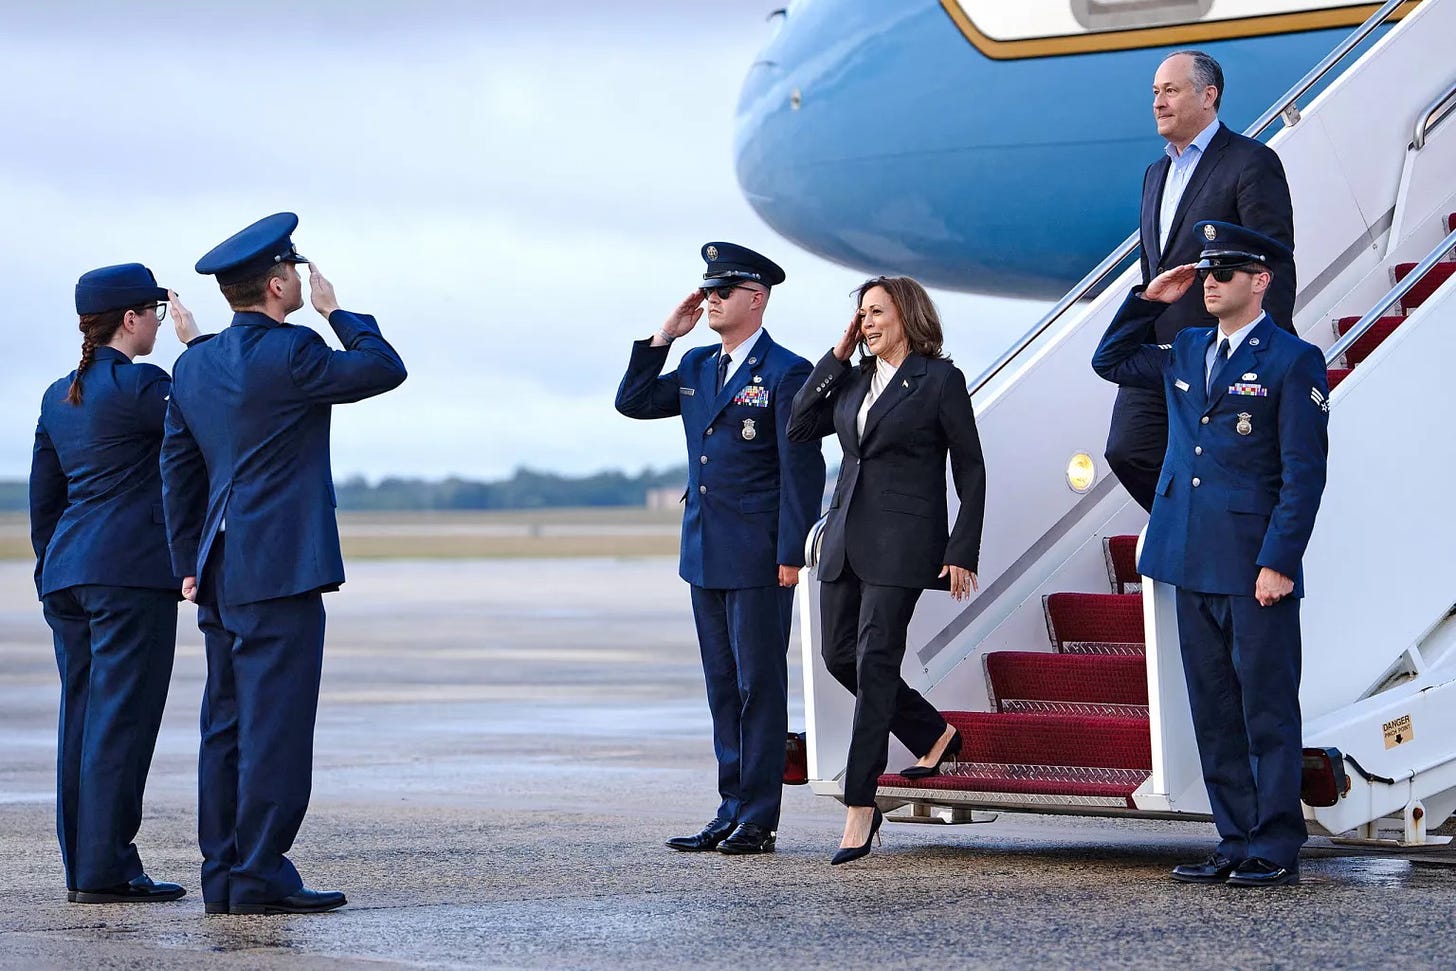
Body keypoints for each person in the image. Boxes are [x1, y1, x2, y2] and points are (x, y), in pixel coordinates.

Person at [161, 213, 407, 915]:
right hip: (280, 568)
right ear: (276, 283)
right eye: (295, 273)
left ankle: (224, 873)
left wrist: (186, 558)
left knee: (226, 725)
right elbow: (383, 367)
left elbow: (176, 469)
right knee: (276, 727)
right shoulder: (294, 352)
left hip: (218, 567)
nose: (301, 281)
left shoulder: (195, 362)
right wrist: (339, 312)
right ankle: (261, 870)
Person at [1091, 221, 1328, 887]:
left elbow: (1301, 472)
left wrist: (1281, 559)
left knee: (1267, 706)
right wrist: (1148, 300)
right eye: (1208, 270)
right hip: (1187, 553)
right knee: (1214, 708)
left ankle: (1276, 841)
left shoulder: (1292, 360)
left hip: (1255, 563)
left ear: (1261, 280)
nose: (1214, 279)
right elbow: (1108, 361)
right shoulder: (1187, 345)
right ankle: (1234, 837)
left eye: (1228, 270)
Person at [615, 242, 826, 855]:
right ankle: (729, 806)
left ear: (755, 299)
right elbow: (631, 402)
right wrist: (665, 338)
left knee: (760, 684)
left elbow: (800, 471)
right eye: (707, 290)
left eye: (722, 291)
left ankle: (758, 817)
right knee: (721, 684)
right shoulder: (698, 366)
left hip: (761, 554)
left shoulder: (788, 371)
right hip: (704, 550)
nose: (710, 300)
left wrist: (794, 552)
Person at [787, 276, 986, 865]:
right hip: (845, 536)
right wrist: (838, 353)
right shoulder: (850, 379)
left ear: (907, 314)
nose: (867, 321)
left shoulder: (939, 380)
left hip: (904, 541)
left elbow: (971, 469)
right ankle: (931, 733)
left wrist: (961, 550)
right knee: (837, 656)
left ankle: (861, 803)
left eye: (876, 312)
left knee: (875, 661)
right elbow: (800, 424)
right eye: (861, 314)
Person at [30, 264, 203, 904]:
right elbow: (210, 423)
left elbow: (44, 497)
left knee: (81, 718)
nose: (160, 319)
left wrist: (52, 566)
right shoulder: (143, 386)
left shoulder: (57, 394)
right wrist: (199, 347)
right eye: (155, 310)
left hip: (67, 576)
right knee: (121, 724)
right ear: (131, 319)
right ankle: (108, 869)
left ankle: (85, 865)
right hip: (128, 576)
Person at [1106, 49, 1297, 512]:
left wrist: (1259, 348)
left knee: (1222, 457)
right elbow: (1155, 265)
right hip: (1162, 352)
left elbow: (1275, 262)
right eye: (1155, 92)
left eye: (1170, 90)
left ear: (1208, 96)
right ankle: (1193, 525)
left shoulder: (1252, 161)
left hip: (1221, 349)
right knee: (1127, 448)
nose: (1158, 102)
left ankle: (1207, 533)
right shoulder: (1156, 173)